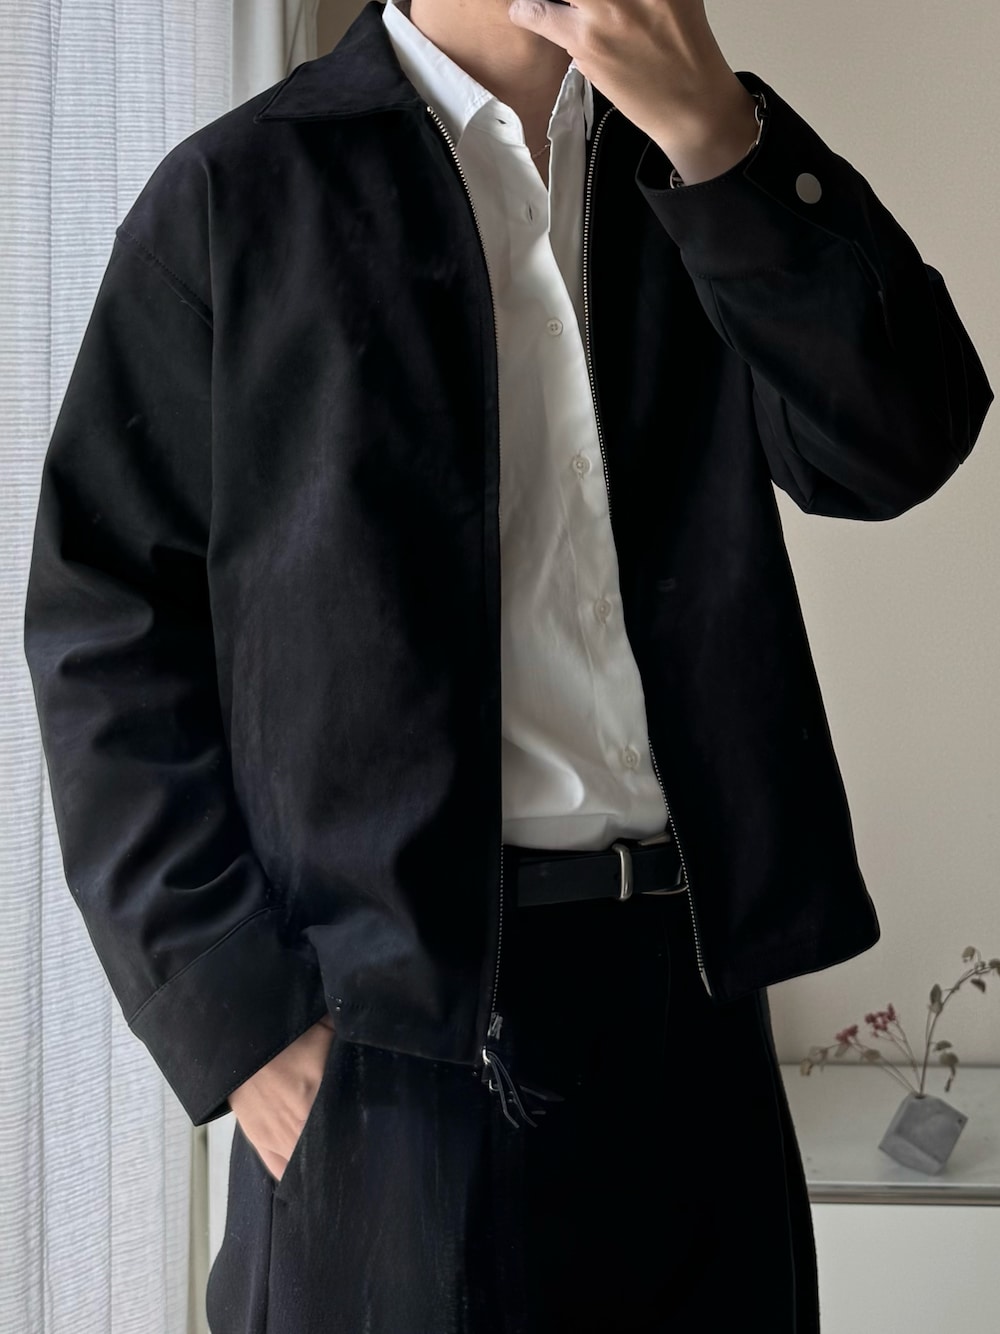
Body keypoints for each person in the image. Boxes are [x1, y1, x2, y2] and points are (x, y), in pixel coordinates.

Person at [22, 0, 993, 1329]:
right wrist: (237, 1021)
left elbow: (896, 444)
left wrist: (721, 135)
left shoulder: (700, 155)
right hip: (387, 1048)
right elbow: (105, 627)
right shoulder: (239, 192)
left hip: (691, 1005)